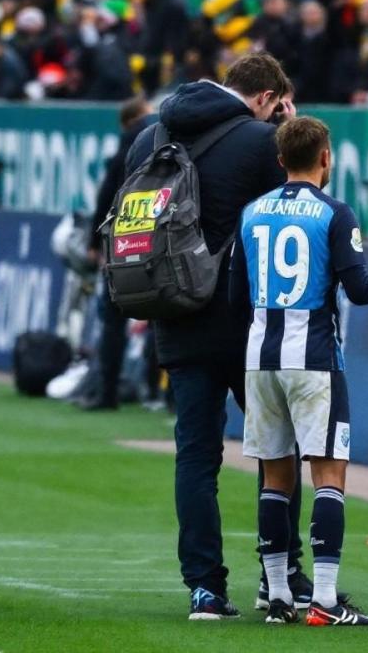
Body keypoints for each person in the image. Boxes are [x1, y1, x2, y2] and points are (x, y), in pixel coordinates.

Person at [123, 53, 299, 620]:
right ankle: (280, 579)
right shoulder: (261, 140)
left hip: (175, 312)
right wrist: (289, 135)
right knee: (277, 452)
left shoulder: (149, 137)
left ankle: (204, 587)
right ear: (268, 98)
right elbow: (295, 215)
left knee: (196, 457)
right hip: (249, 321)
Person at [232, 116, 368, 626]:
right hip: (313, 360)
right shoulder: (335, 213)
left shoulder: (251, 212)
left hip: (260, 358)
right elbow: (360, 289)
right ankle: (325, 599)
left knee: (275, 478)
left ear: (280, 161)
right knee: (329, 476)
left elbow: (235, 296)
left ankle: (277, 597)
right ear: (325, 158)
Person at [77, 96, 154, 412]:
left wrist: (96, 241)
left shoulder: (130, 140)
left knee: (112, 317)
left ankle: (107, 391)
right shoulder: (168, 136)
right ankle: (160, 394)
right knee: (163, 317)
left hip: (125, 236)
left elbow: (108, 191)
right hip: (162, 236)